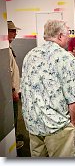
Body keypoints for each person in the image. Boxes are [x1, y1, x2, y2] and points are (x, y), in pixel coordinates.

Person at [20, 19, 75, 157]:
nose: (70, 37)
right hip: (57, 126)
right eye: (68, 33)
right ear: (60, 36)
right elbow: (74, 98)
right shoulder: (65, 58)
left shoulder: (30, 55)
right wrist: (72, 122)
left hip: (33, 123)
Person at [8, 20, 24, 150]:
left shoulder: (8, 47)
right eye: (13, 31)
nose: (15, 33)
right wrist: (14, 90)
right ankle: (13, 143)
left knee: (15, 114)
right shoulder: (4, 50)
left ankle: (15, 136)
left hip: (13, 89)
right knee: (13, 115)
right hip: (11, 91)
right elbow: (9, 72)